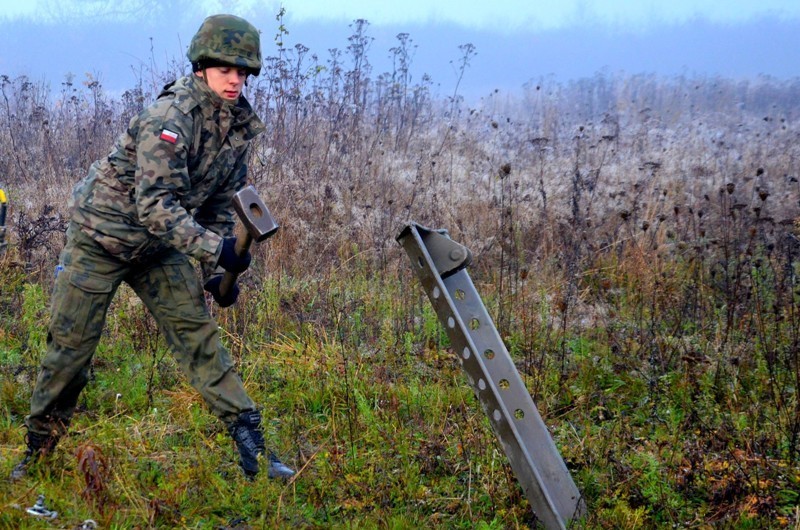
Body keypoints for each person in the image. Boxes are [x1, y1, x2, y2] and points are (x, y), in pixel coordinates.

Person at [11, 14, 294, 481]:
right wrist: (214, 250)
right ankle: (38, 453)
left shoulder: (238, 126)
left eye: (243, 71)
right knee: (70, 353)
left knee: (200, 341)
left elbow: (222, 202)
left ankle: (257, 453)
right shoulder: (171, 118)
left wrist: (219, 270)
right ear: (202, 67)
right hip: (101, 239)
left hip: (161, 249)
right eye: (226, 69)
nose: (235, 79)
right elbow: (155, 205)